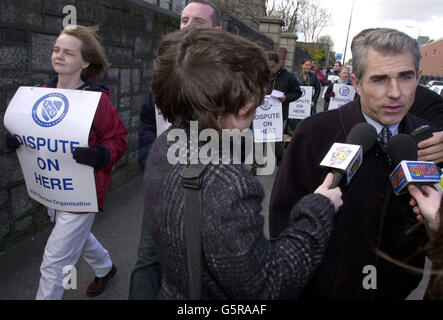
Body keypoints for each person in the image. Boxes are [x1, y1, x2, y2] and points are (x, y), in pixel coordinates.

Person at [145, 27, 343, 299]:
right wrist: (318, 208)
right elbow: (266, 286)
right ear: (243, 104)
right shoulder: (229, 184)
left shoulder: (164, 144)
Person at [269, 28, 436, 300]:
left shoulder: (427, 140)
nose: (395, 93)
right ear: (356, 83)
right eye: (380, 79)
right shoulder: (314, 133)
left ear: (418, 78)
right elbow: (282, 219)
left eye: (405, 78)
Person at [5, 25, 127, 299]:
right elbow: (29, 130)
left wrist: (102, 154)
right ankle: (105, 267)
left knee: (55, 261)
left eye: (68, 53)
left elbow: (118, 139)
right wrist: (15, 139)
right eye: (56, 50)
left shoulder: (97, 102)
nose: (59, 56)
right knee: (74, 236)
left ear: (85, 62)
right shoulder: (40, 93)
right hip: (51, 186)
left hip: (83, 192)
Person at [129, 0, 222, 300]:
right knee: (148, 259)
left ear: (216, 31)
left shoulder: (231, 76)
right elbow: (147, 120)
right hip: (163, 183)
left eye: (198, 21)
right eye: (184, 20)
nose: (188, 26)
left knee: (205, 263)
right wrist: (148, 158)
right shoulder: (165, 70)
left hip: (211, 187)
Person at [265, 52, 302, 166]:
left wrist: (286, 98)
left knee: (277, 141)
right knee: (260, 139)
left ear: (278, 64)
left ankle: (281, 161)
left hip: (279, 114)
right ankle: (258, 163)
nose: (270, 70)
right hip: (262, 113)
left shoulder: (289, 77)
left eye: (272, 67)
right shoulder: (263, 74)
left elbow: (297, 92)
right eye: (267, 67)